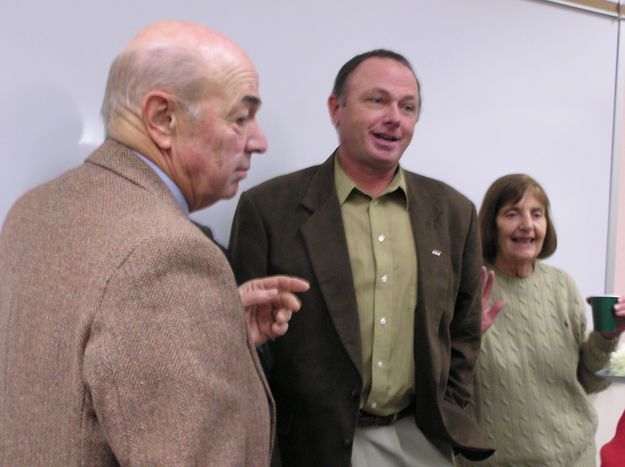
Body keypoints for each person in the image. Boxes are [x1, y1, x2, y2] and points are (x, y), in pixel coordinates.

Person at [0, 20, 309, 466]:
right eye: (240, 117)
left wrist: (212, 334)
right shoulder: (167, 256)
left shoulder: (33, 208)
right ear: (163, 119)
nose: (258, 142)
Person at [228, 49, 494, 466]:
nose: (395, 118)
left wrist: (451, 404)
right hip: (310, 448)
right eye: (377, 100)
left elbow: (463, 330)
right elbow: (242, 346)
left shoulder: (454, 213)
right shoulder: (269, 210)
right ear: (336, 109)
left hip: (421, 441)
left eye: (408, 107)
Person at [457, 173, 625, 467]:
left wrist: (608, 338)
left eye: (537, 214)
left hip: (573, 459)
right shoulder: (467, 287)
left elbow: (590, 382)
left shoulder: (563, 286)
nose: (527, 225)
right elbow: (445, 387)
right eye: (512, 213)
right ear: (491, 224)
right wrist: (467, 337)